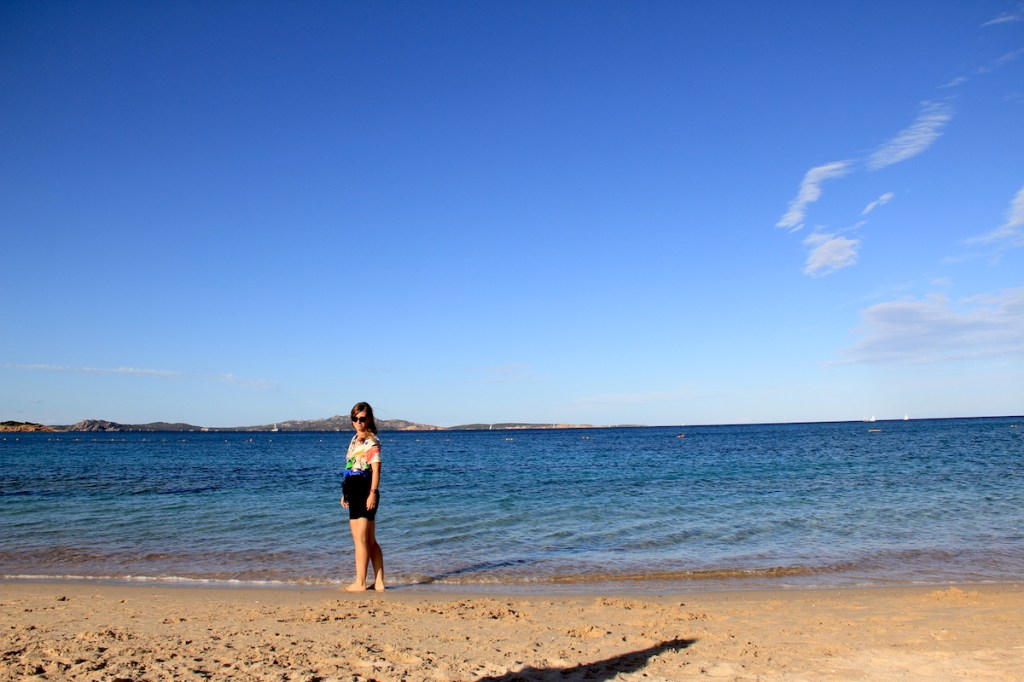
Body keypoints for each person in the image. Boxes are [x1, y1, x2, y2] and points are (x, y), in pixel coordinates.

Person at [341, 401, 385, 591]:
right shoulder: (354, 440)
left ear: (368, 419)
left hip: (365, 490)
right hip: (353, 490)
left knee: (361, 539)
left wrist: (373, 493)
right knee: (369, 539)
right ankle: (379, 582)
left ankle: (360, 582)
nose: (358, 422)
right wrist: (344, 494)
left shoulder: (371, 442)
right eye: (355, 418)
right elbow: (349, 467)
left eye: (362, 418)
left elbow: (376, 470)